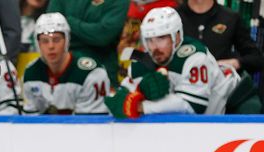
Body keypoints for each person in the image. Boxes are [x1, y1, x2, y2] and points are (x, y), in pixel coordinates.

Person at [105, 7, 260, 118]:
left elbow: (192, 106)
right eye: (149, 40)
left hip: (234, 103)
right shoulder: (141, 62)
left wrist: (141, 106)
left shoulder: (195, 57)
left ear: (177, 37)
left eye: (161, 38)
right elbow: (118, 99)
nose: (154, 47)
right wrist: (123, 101)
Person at [22, 13, 110, 115]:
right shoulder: (31, 73)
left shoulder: (91, 74)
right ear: (38, 44)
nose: (51, 46)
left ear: (67, 40)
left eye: (56, 39)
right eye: (45, 41)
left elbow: (91, 124)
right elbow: (30, 123)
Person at [46, 0, 130, 86]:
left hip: (102, 74)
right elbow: (51, 27)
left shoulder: (119, 1)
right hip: (63, 72)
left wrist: (68, 21)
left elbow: (102, 36)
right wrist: (89, 31)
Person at [177, 0, 264, 76]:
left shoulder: (230, 18)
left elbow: (256, 59)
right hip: (178, 88)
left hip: (218, 90)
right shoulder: (173, 17)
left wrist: (236, 63)